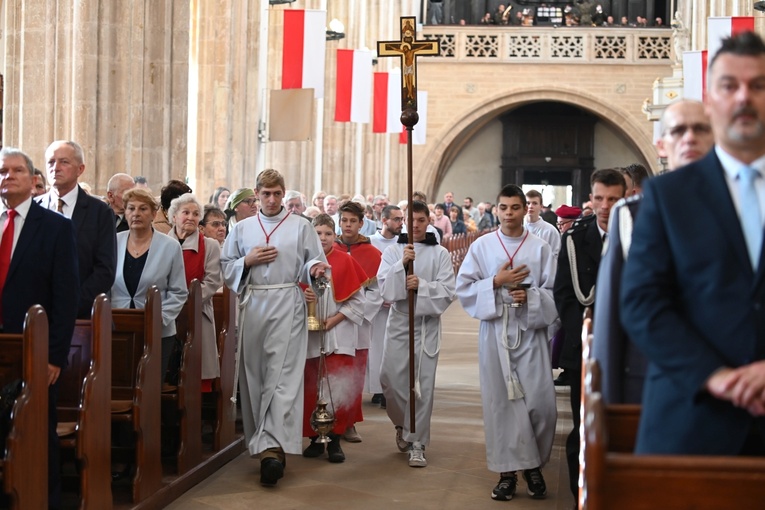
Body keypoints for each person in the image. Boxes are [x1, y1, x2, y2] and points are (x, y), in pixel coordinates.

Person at [622, 32, 765, 455]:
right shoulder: (669, 197)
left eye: (758, 85)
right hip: (691, 420)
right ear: (711, 99)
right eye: (729, 86)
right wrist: (715, 376)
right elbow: (643, 303)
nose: (743, 97)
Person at [593, 100, 713, 405]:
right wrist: (609, 406)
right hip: (648, 381)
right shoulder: (630, 215)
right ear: (661, 145)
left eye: (701, 129)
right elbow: (610, 312)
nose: (689, 138)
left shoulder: (744, 208)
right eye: (678, 130)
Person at [220, 169, 329, 486]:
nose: (271, 199)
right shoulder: (241, 229)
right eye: (265, 194)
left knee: (282, 378)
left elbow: (313, 261)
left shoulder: (301, 226)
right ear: (256, 194)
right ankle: (264, 443)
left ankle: (273, 450)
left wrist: (316, 269)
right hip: (254, 305)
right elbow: (227, 267)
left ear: (284, 194)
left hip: (288, 305)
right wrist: (247, 261)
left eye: (277, 193)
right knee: (256, 375)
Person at [457, 184, 557, 501]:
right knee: (502, 405)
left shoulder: (540, 248)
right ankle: (508, 474)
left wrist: (530, 296)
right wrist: (496, 283)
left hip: (530, 332)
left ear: (525, 209)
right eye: (504, 207)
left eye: (516, 207)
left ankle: (533, 465)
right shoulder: (483, 246)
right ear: (497, 209)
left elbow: (554, 293)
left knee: (541, 405)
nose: (510, 213)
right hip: (495, 332)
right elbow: (464, 288)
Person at [0, 147, 80, 509]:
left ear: (33, 180)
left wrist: (55, 358)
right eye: (2, 171)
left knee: (37, 434)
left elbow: (65, 299)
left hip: (33, 350)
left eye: (16, 170)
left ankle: (44, 502)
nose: (8, 177)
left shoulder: (56, 228)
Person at [553, 168, 625, 497]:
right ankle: (579, 497)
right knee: (583, 426)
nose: (605, 206)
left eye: (613, 198)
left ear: (626, 199)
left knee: (621, 423)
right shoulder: (575, 239)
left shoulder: (638, 235)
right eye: (599, 198)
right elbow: (565, 294)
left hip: (627, 346)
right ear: (591, 199)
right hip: (584, 345)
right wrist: (585, 334)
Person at [377, 200, 455, 468]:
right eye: (412, 221)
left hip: (426, 324)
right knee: (390, 380)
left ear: (429, 221)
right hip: (399, 320)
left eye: (422, 220)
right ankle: (402, 423)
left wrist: (421, 285)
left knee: (422, 386)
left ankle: (418, 441)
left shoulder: (441, 254)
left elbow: (447, 292)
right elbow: (385, 290)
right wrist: (401, 265)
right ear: (404, 222)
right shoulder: (392, 252)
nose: (417, 226)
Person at [302, 214, 367, 463]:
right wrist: (303, 301)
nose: (323, 238)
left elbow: (358, 302)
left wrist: (334, 320)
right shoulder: (303, 263)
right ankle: (315, 439)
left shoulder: (345, 261)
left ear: (334, 234)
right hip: (310, 336)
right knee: (312, 386)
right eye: (318, 233)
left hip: (338, 334)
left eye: (328, 233)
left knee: (337, 388)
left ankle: (336, 441)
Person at [111, 188, 188, 382]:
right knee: (119, 383)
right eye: (131, 208)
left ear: (154, 214)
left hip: (157, 330)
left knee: (150, 385)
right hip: (118, 328)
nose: (136, 213)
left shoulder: (170, 246)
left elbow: (179, 291)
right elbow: (105, 284)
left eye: (143, 209)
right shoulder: (113, 241)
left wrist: (159, 318)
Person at [38, 140, 117, 319]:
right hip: (37, 315)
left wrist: (69, 304)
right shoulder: (34, 208)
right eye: (51, 162)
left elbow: (105, 270)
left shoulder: (100, 212)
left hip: (83, 315)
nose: (55, 167)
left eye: (64, 162)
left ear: (80, 169)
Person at [335, 200, 383, 442]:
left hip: (358, 324)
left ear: (362, 224)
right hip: (331, 323)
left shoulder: (373, 254)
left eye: (353, 221)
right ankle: (330, 421)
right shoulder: (329, 250)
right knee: (331, 372)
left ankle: (350, 422)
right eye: (344, 220)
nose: (348, 225)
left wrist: (355, 313)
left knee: (354, 373)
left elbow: (377, 291)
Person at [167, 193, 224, 392]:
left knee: (198, 374)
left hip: (198, 313)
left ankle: (194, 419)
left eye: (196, 213)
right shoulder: (160, 243)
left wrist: (186, 300)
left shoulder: (210, 246)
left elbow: (212, 280)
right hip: (166, 314)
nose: (191, 217)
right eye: (185, 212)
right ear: (174, 216)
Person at [368, 205, 404, 408]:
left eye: (402, 219)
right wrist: (380, 297)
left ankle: (391, 388)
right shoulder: (371, 242)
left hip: (397, 302)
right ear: (384, 220)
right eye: (397, 219)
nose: (401, 223)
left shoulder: (404, 243)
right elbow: (369, 275)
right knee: (377, 347)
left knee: (393, 349)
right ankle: (377, 389)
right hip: (376, 303)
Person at [525, 190, 561, 259]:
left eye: (534, 203)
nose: (530, 206)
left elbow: (555, 258)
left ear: (541, 206)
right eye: (528, 203)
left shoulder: (551, 231)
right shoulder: (517, 229)